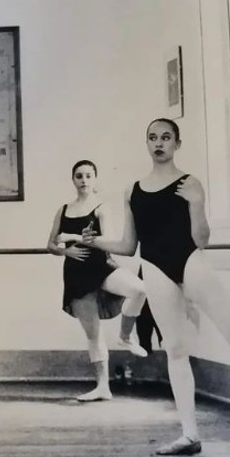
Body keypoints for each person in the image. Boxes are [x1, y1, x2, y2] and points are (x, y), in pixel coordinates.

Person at [78, 119, 230, 456]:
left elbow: (202, 240)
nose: (159, 143)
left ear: (177, 144)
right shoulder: (133, 190)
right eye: (152, 137)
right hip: (155, 267)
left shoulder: (189, 183)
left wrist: (196, 202)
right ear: (147, 143)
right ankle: (190, 435)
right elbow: (128, 246)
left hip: (189, 259)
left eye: (166, 137)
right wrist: (95, 242)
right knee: (176, 349)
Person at [47, 159, 148, 402]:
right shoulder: (63, 209)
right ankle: (103, 387)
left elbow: (110, 239)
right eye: (79, 176)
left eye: (88, 176)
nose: (83, 180)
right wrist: (64, 251)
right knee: (93, 334)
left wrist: (73, 237)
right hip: (76, 274)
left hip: (101, 266)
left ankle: (125, 336)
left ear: (95, 180)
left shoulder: (101, 208)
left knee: (140, 289)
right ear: (73, 180)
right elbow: (51, 243)